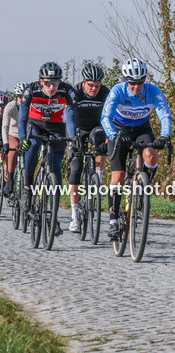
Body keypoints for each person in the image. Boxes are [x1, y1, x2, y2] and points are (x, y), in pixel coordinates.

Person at [100, 58, 172, 237]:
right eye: (132, 83)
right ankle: (113, 219)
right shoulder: (118, 90)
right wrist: (113, 135)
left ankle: (141, 186)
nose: (136, 87)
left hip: (141, 129)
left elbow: (164, 114)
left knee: (152, 156)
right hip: (119, 130)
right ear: (126, 80)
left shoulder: (153, 91)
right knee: (118, 176)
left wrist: (165, 136)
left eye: (140, 82)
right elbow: (105, 117)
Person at [18, 63, 78, 230]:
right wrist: (23, 138)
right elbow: (22, 117)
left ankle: (54, 218)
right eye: (48, 83)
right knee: (33, 145)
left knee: (56, 167)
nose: (52, 87)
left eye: (55, 83)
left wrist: (72, 140)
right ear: (41, 81)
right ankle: (27, 188)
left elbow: (71, 120)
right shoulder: (31, 90)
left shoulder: (67, 91)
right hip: (35, 124)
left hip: (57, 126)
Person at [68, 63, 111, 233]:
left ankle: (98, 179)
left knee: (102, 142)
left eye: (97, 85)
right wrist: (72, 139)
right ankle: (74, 215)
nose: (94, 89)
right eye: (91, 85)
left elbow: (110, 115)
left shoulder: (105, 92)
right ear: (84, 82)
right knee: (76, 168)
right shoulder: (75, 92)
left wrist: (109, 136)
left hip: (96, 127)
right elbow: (69, 117)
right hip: (77, 128)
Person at [1, 87, 21, 197]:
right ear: (16, 96)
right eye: (20, 96)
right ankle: (10, 177)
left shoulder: (30, 105)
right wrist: (5, 144)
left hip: (25, 134)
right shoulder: (11, 106)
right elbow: (5, 126)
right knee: (15, 147)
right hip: (12, 133)